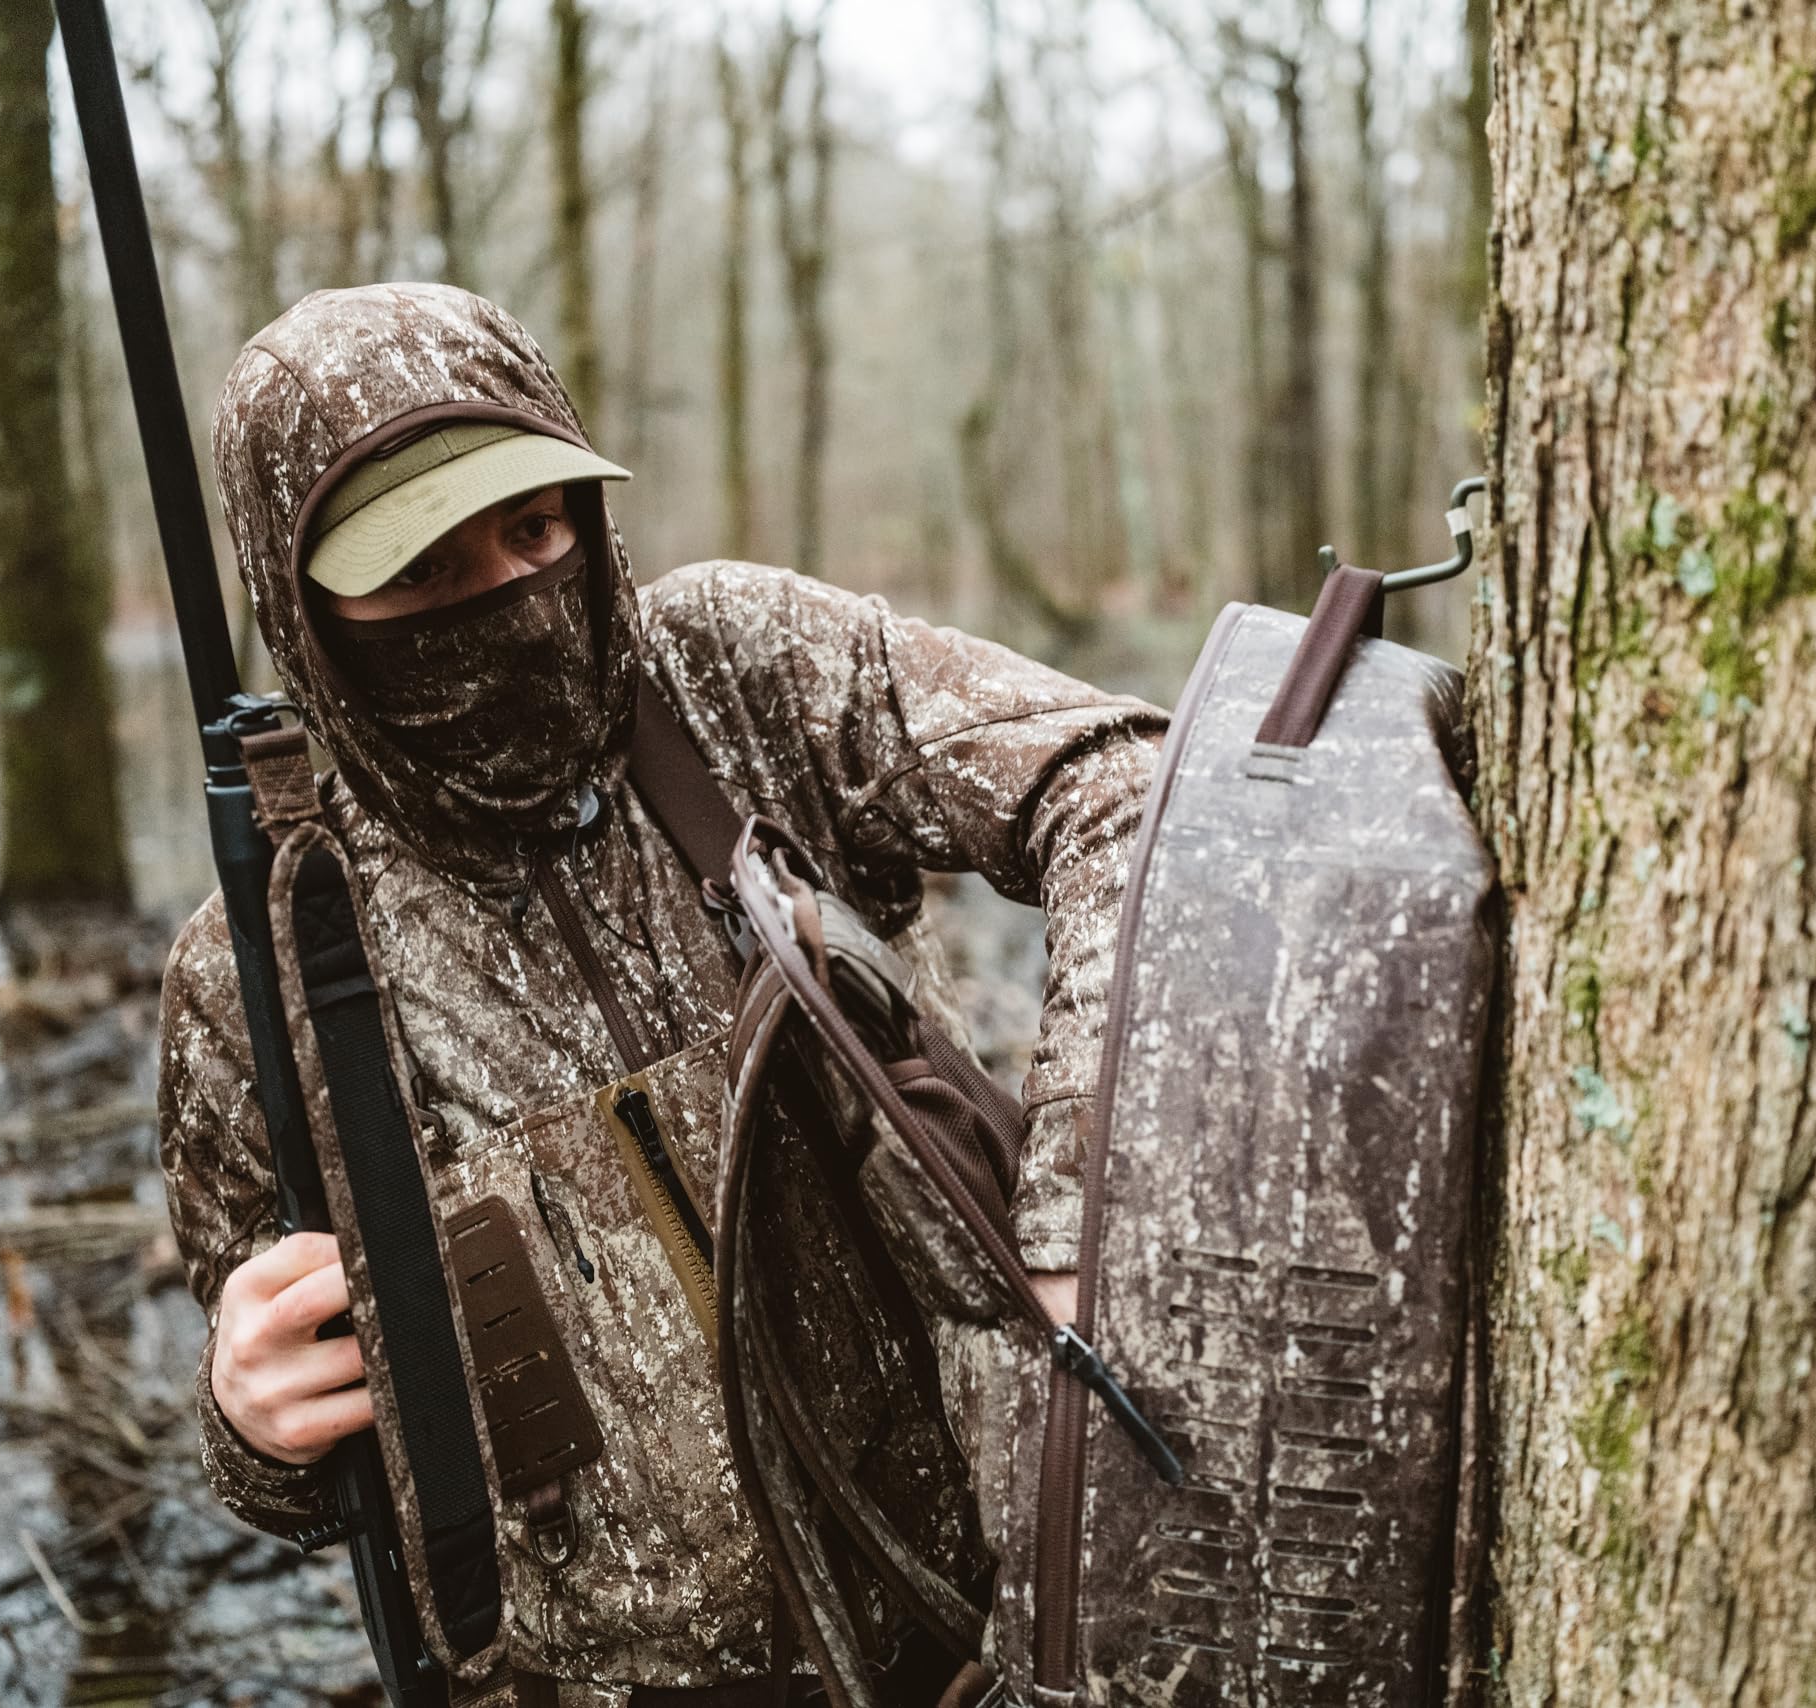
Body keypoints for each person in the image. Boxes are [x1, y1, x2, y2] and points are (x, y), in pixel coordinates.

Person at [156, 281, 1156, 1702]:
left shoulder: (738, 677)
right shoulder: (256, 967)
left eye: (533, 528)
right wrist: (250, 1424)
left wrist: (1075, 1205)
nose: (508, 601)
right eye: (420, 570)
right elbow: (305, 1462)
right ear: (301, 606)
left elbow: (1123, 786)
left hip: (990, 1617)